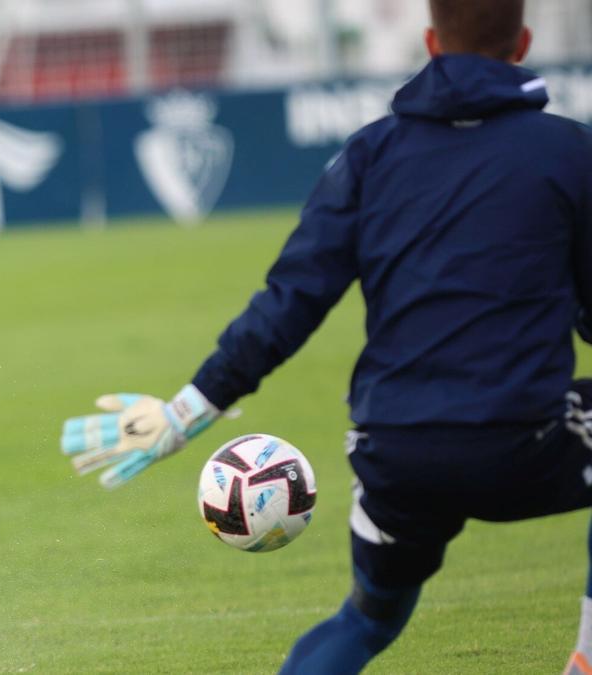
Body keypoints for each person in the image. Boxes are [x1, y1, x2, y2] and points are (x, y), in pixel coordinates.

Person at [60, 1, 592, 672]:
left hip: (396, 452)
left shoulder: (371, 155)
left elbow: (290, 302)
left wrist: (185, 411)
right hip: (525, 441)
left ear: (430, 41)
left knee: (367, 620)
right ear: (524, 42)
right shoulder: (572, 152)